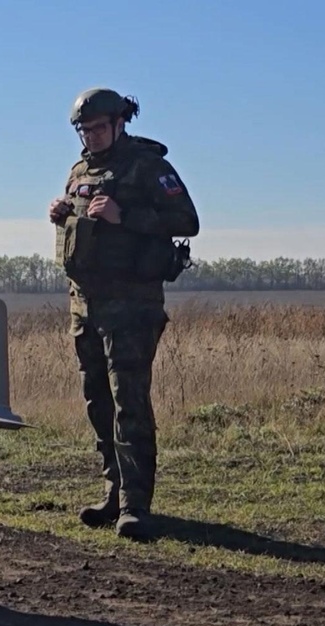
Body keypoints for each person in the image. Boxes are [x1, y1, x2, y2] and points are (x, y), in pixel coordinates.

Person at [48, 87, 200, 541]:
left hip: (132, 307)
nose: (90, 136)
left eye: (98, 128)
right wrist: (63, 214)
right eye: (83, 130)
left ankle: (136, 505)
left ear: (119, 123)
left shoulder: (147, 166)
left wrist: (125, 215)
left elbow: (187, 221)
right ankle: (113, 493)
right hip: (85, 305)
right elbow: (86, 228)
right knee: (98, 401)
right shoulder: (79, 171)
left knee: (129, 402)